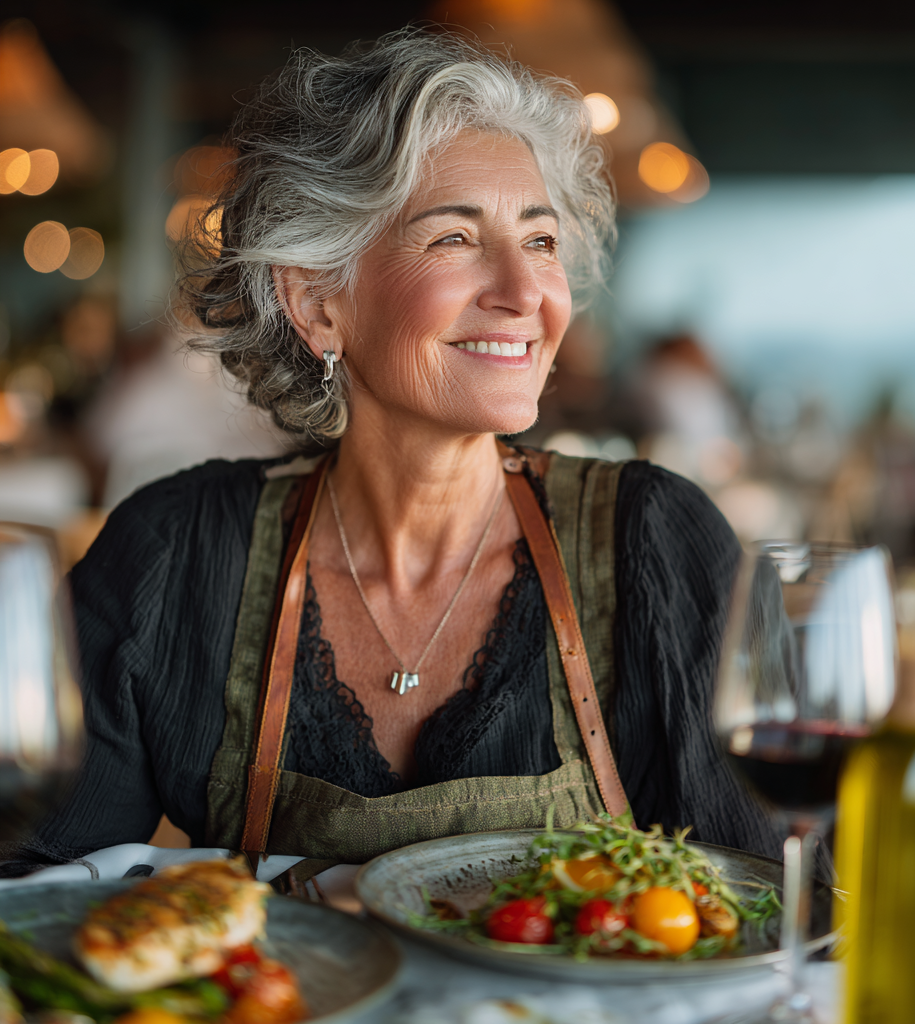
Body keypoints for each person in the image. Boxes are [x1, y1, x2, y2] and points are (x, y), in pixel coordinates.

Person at [13, 29, 778, 876]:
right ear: (316, 304)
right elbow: (37, 890)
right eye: (453, 239)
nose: (524, 293)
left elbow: (762, 911)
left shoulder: (656, 544)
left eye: (541, 240)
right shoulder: (176, 551)